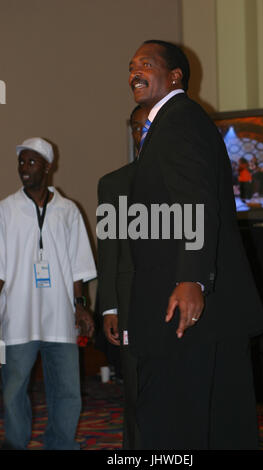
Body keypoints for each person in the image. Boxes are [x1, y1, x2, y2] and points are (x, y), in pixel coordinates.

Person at [127, 40, 263, 449]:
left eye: (146, 65)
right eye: (131, 66)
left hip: (182, 311)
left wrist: (191, 277)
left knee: (172, 426)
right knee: (217, 422)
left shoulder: (177, 120)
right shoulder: (177, 121)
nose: (134, 72)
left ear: (175, 76)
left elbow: (196, 201)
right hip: (203, 315)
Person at [0, 137, 96, 450]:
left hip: (59, 316)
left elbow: (79, 265)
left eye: (31, 162)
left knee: (67, 390)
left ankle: (60, 443)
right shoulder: (5, 210)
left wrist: (80, 307)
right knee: (13, 389)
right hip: (17, 316)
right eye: (21, 162)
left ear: (48, 166)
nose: (24, 168)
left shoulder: (68, 211)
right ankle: (15, 443)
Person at [97, 105, 148, 449]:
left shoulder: (187, 178)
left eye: (150, 126)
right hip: (131, 303)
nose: (143, 133)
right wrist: (110, 306)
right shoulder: (114, 184)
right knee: (137, 389)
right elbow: (109, 250)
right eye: (136, 127)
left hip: (178, 302)